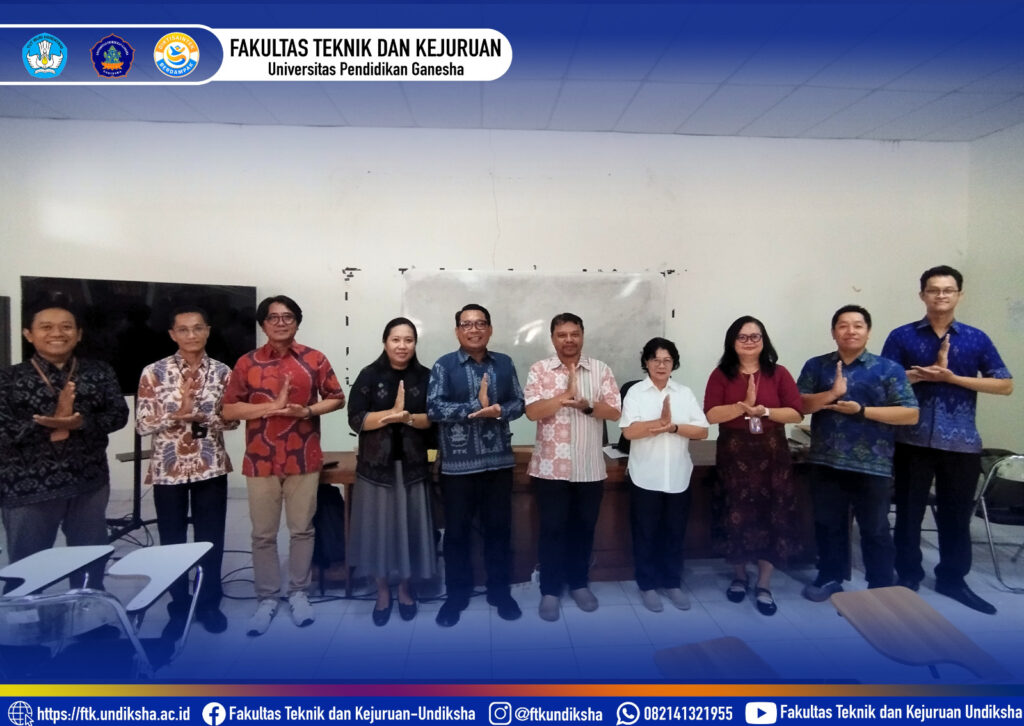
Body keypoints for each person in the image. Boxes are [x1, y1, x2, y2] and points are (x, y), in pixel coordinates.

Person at [882, 265, 1013, 614]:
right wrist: (920, 375)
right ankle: (908, 575)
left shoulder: (976, 338)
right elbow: (883, 382)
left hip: (961, 442)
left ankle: (953, 579)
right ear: (922, 295)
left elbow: (1005, 384)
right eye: (934, 290)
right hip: (911, 440)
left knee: (956, 515)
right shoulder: (902, 336)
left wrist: (952, 378)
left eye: (948, 290)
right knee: (908, 513)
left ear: (959, 295)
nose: (941, 295)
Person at [223, 295, 346, 636]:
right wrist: (270, 407)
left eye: (287, 316)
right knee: (263, 534)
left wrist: (306, 411)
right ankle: (266, 597)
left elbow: (337, 398)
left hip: (303, 456)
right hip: (260, 459)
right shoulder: (246, 362)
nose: (281, 322)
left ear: (297, 322)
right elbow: (229, 409)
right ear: (263, 324)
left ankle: (298, 592)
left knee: (302, 529)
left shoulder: (314, 359)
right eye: (273, 317)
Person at [0, 293, 129, 590]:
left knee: (90, 558)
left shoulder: (99, 372)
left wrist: (80, 422)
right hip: (27, 487)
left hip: (89, 481)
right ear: (28, 334)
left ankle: (87, 612)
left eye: (66, 326)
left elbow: (118, 415)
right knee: (27, 567)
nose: (57, 333)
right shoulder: (8, 378)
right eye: (46, 327)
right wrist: (52, 423)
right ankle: (30, 618)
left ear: (79, 334)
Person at [797, 305, 919, 602]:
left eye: (858, 325)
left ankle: (880, 587)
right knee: (828, 524)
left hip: (873, 465)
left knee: (875, 529)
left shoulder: (888, 369)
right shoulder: (817, 366)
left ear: (868, 331)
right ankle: (830, 577)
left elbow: (910, 414)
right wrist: (831, 394)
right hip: (826, 461)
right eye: (843, 325)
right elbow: (798, 406)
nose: (850, 331)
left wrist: (862, 410)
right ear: (833, 332)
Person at [136, 306, 238, 635]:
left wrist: (205, 417)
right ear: (172, 334)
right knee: (172, 540)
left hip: (211, 465)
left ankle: (209, 603)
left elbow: (233, 421)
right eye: (183, 329)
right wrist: (177, 416)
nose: (191, 335)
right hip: (168, 469)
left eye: (197, 328)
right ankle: (179, 605)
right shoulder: (154, 372)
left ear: (207, 330)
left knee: (211, 538)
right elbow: (141, 424)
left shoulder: (223, 372)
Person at [427, 304, 525, 627]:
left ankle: (500, 592)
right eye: (467, 324)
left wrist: (499, 410)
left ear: (490, 329)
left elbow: (519, 403)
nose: (474, 329)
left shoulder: (504, 363)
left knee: (499, 530)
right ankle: (456, 595)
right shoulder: (444, 365)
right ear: (457, 331)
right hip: (458, 467)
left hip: (498, 463)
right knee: (456, 534)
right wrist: (474, 407)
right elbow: (434, 408)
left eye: (480, 323)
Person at [703, 316, 804, 616]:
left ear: (764, 340)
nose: (749, 342)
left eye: (755, 336)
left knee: (771, 513)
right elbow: (710, 415)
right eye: (742, 337)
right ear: (732, 342)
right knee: (735, 513)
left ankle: (764, 583)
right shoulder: (721, 374)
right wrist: (741, 407)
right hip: (734, 455)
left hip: (772, 455)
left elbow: (796, 413)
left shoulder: (779, 373)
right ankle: (739, 576)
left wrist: (766, 411)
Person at [524, 313, 621, 622]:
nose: (569, 339)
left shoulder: (601, 370)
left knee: (583, 528)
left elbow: (615, 411)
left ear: (582, 335)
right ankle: (550, 591)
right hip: (550, 468)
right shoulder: (539, 370)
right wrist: (563, 397)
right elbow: (532, 411)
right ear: (553, 338)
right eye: (562, 334)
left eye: (574, 333)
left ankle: (579, 583)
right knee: (551, 530)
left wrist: (587, 405)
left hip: (589, 467)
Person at [347, 317, 437, 626]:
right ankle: (383, 591)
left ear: (415, 344)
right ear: (385, 342)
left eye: (408, 340)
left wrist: (407, 417)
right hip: (376, 469)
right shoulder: (369, 375)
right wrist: (390, 414)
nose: (402, 346)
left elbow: (433, 419)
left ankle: (405, 588)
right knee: (378, 532)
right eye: (396, 339)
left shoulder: (426, 376)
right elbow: (355, 419)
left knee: (409, 530)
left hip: (413, 467)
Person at [620, 337, 708, 613]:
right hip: (645, 476)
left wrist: (673, 427)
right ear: (646, 362)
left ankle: (672, 583)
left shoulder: (684, 393)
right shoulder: (635, 393)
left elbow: (702, 431)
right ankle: (647, 585)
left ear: (674, 364)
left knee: (674, 534)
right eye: (655, 359)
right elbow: (628, 432)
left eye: (667, 360)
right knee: (645, 534)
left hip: (678, 476)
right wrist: (657, 422)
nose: (661, 365)